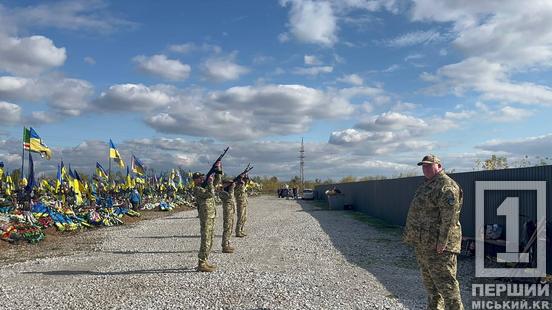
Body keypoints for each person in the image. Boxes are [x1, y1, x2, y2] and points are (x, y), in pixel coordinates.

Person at [404, 154, 464, 310]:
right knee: (431, 287)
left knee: (447, 285)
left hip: (439, 247)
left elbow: (449, 218)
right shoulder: (427, 185)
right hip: (424, 244)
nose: (425, 168)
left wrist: (442, 242)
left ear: (438, 165)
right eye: (423, 166)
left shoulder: (446, 186)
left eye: (429, 165)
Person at [193, 161, 222, 272]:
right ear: (195, 180)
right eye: (199, 178)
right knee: (205, 239)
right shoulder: (197, 189)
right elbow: (210, 193)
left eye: (202, 177)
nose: (201, 179)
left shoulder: (204, 186)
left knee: (210, 238)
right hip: (205, 217)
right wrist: (209, 183)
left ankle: (205, 260)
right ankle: (201, 263)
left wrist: (217, 169)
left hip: (210, 215)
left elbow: (217, 182)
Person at [218, 177, 236, 253]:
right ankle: (224, 246)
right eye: (228, 183)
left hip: (231, 211)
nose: (230, 184)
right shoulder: (222, 192)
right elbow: (229, 197)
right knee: (227, 227)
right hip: (227, 212)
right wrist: (232, 188)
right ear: (224, 184)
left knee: (230, 227)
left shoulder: (227, 190)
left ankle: (228, 243)